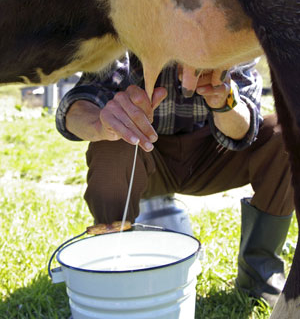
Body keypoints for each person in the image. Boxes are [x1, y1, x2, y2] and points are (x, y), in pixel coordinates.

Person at [56, 53, 294, 307]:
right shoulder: (127, 39)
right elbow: (75, 105)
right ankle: (114, 270)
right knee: (111, 146)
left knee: (286, 133)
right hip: (145, 154)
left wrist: (225, 103)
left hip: (213, 156)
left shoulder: (230, 42)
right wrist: (101, 124)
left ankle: (259, 273)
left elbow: (245, 129)